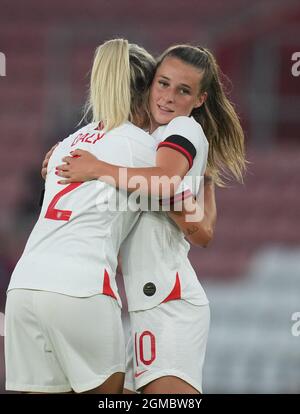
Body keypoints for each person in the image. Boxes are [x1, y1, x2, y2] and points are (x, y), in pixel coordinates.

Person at [54, 44, 246, 394]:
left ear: (200, 99)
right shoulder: (149, 143)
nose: (169, 97)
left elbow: (169, 189)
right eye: (163, 84)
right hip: (145, 303)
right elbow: (202, 232)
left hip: (168, 301)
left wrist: (97, 168)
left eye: (183, 90)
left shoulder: (182, 131)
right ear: (149, 84)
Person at [4, 38, 160, 394]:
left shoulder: (68, 143)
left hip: (25, 286)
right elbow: (183, 195)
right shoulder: (143, 146)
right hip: (81, 286)